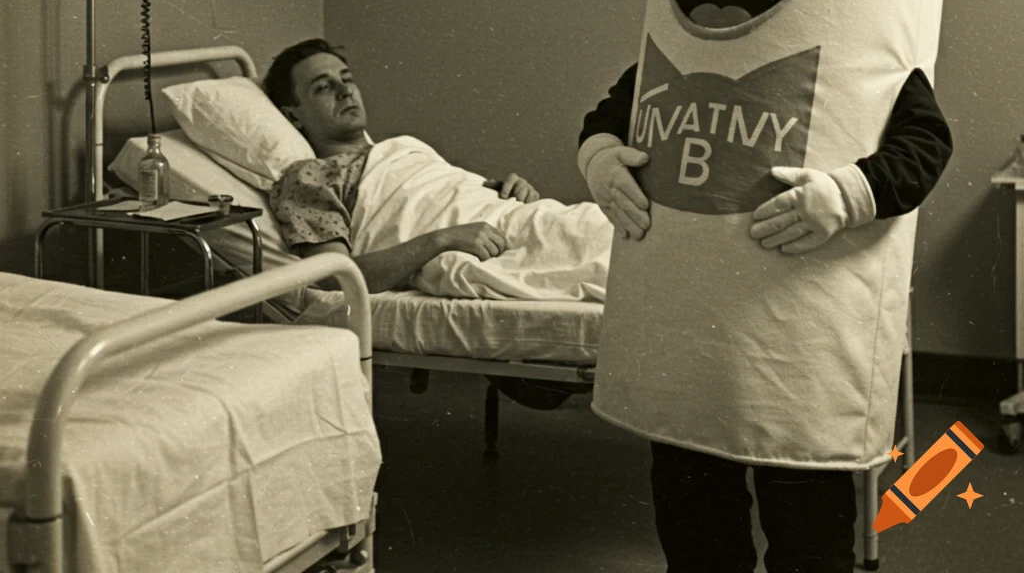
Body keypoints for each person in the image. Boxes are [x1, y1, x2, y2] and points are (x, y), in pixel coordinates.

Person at [578, 63, 952, 572]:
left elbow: (927, 145)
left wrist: (847, 195)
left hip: (801, 339)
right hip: (693, 330)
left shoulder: (868, 49)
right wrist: (599, 155)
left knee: (807, 528)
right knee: (696, 525)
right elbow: (610, 115)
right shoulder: (683, 49)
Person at [263, 37, 541, 294]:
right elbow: (336, 277)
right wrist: (441, 240)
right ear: (293, 116)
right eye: (323, 87)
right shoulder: (310, 177)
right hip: (488, 251)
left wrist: (505, 191)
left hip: (519, 220)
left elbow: (441, 201)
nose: (345, 91)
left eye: (346, 79)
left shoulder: (402, 149)